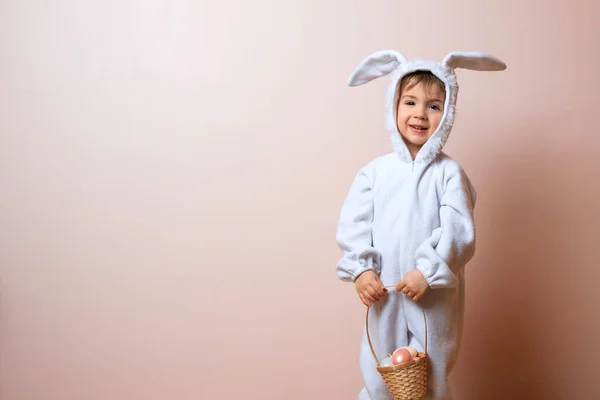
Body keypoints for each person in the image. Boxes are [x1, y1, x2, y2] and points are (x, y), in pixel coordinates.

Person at [335, 50, 506, 400]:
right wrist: (362, 271)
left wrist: (427, 270)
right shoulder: (374, 173)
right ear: (393, 107)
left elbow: (459, 232)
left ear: (448, 114)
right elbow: (354, 225)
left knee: (431, 372)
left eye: (433, 106)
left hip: (433, 296)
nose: (420, 114)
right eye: (409, 102)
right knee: (379, 368)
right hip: (384, 293)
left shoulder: (449, 174)